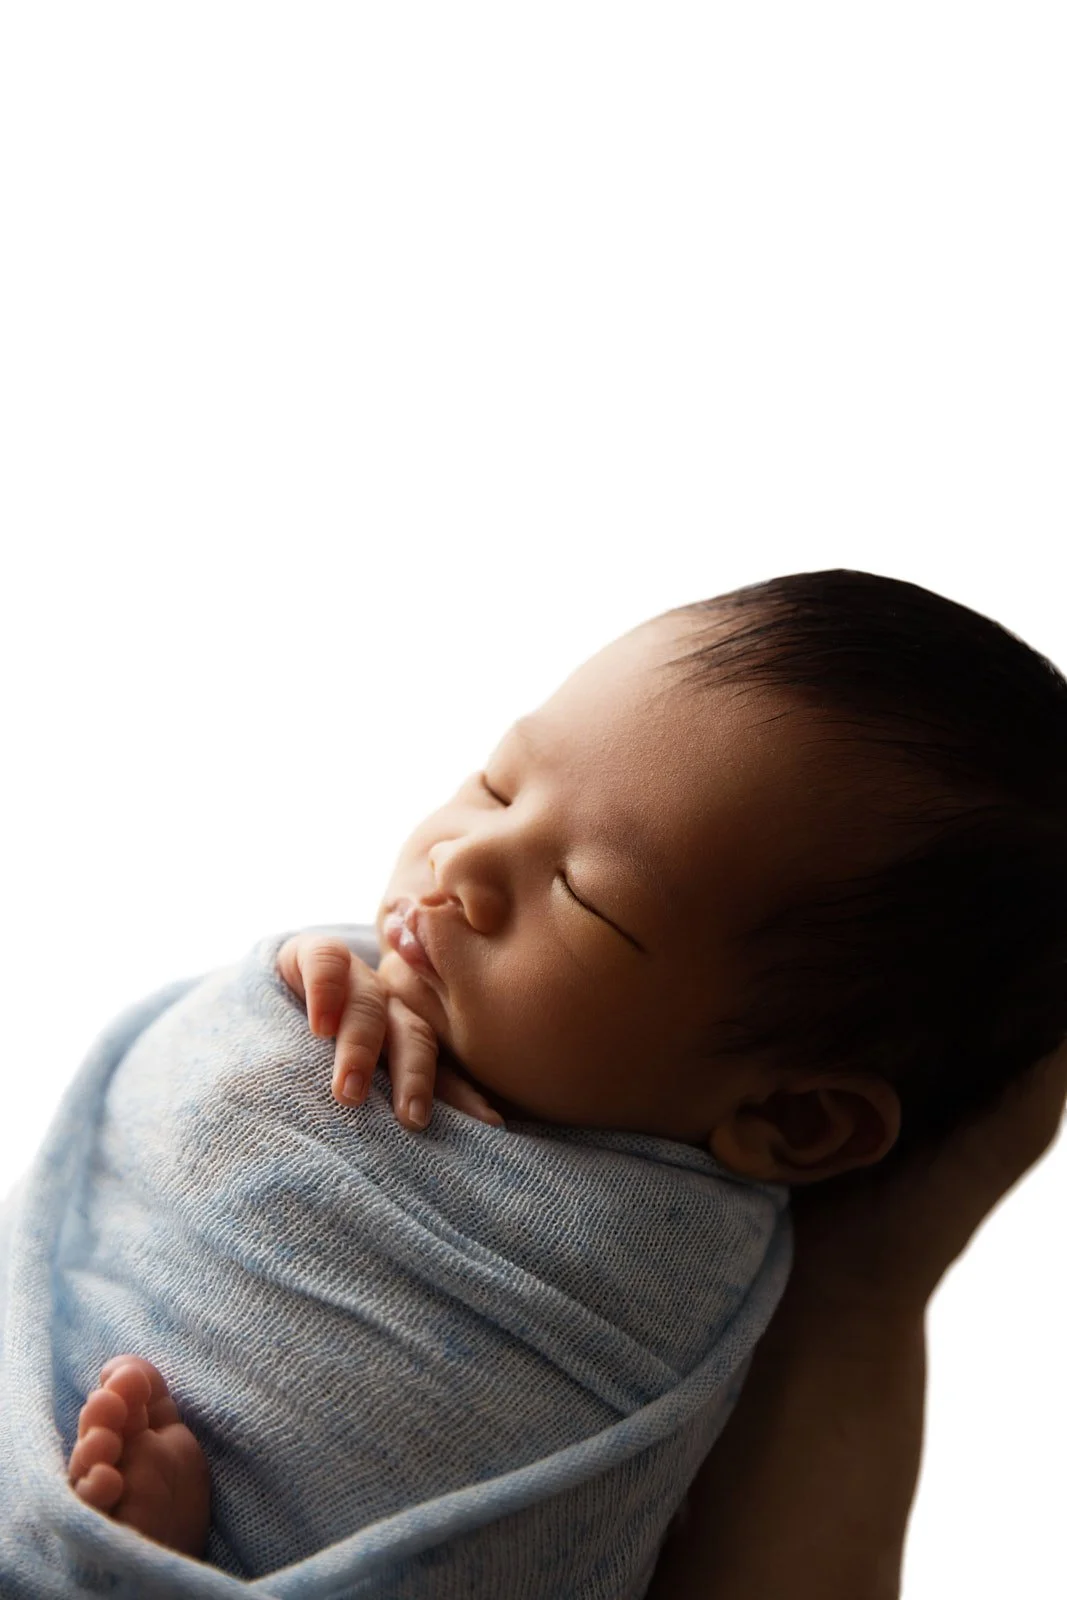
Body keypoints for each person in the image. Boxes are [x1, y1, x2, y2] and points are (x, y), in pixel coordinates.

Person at [56, 569, 1066, 1584]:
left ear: (792, 1116)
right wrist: (296, 989)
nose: (461, 862)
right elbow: (189, 1097)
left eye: (582, 895)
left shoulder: (673, 1285)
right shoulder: (356, 991)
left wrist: (863, 1294)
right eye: (496, 783)